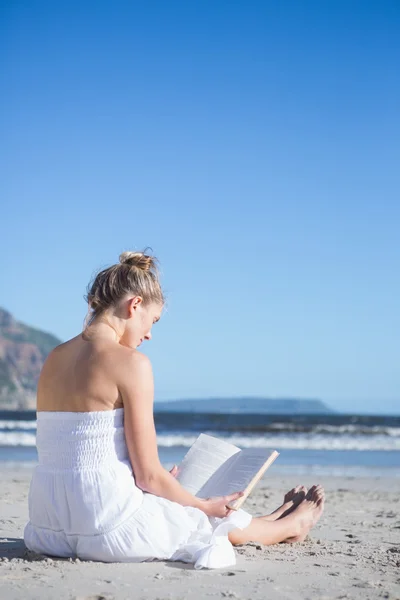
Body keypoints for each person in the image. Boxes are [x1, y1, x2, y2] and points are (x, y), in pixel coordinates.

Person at [24, 250, 325, 569]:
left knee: (175, 505)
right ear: (135, 305)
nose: (149, 334)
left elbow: (78, 444)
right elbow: (149, 476)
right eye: (152, 321)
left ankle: (272, 519)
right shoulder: (131, 363)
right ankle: (287, 526)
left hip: (46, 527)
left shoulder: (54, 357)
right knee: (198, 513)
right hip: (105, 527)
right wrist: (202, 504)